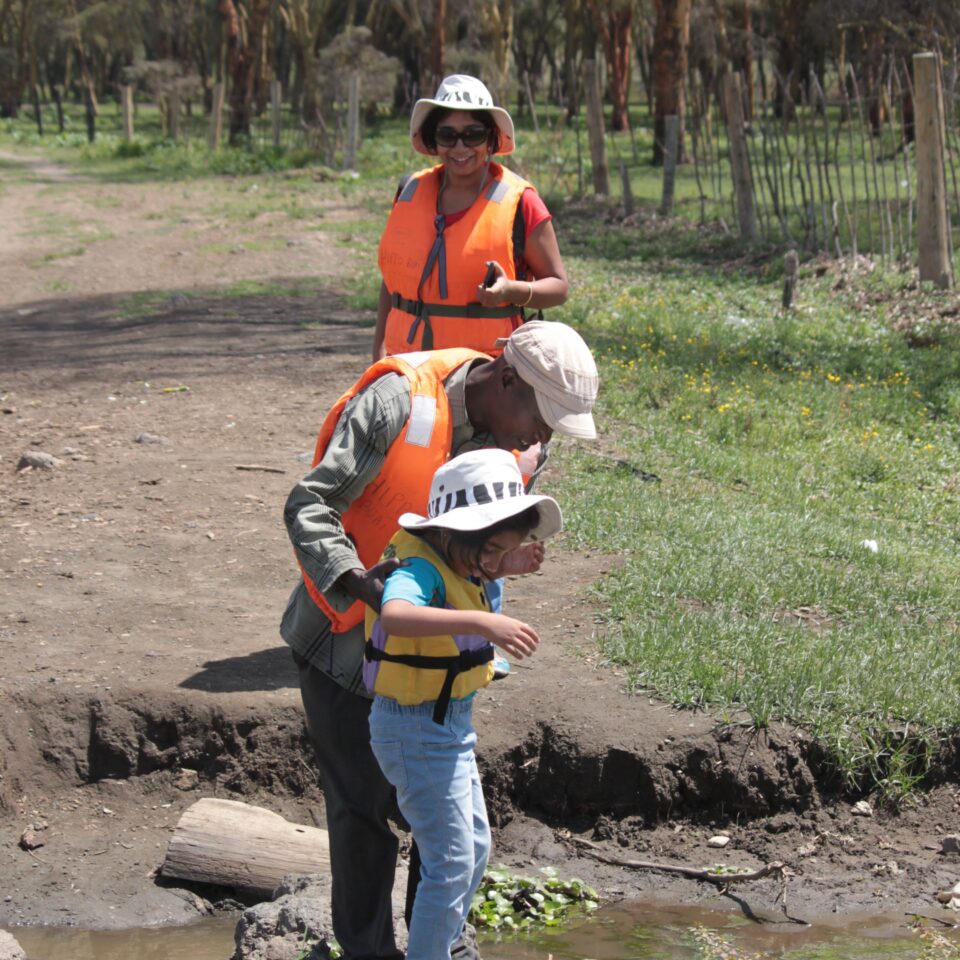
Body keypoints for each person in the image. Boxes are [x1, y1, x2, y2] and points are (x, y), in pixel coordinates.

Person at [281, 320, 597, 960]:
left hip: (436, 671)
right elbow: (308, 508)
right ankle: (370, 953)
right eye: (542, 417)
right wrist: (366, 590)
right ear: (507, 378)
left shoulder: (521, 444)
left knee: (446, 831)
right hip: (343, 641)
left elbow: (478, 553)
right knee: (361, 815)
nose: (542, 438)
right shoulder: (397, 403)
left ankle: (441, 947)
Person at [364, 449, 563, 959]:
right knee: (451, 862)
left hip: (446, 726)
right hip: (415, 731)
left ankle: (442, 948)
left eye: (505, 552)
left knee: (474, 852)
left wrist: (503, 566)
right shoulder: (416, 567)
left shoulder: (456, 557)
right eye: (492, 551)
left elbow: (468, 573)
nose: (495, 566)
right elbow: (397, 614)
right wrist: (482, 622)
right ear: (453, 532)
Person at [372, 74, 570, 362]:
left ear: (491, 139)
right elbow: (393, 284)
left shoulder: (521, 202)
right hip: (406, 369)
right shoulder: (409, 191)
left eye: (473, 134)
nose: (460, 147)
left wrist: (512, 290)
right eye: (447, 135)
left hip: (483, 377)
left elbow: (559, 287)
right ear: (433, 139)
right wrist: (378, 353)